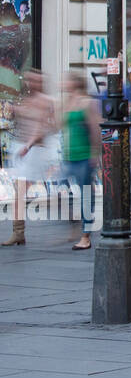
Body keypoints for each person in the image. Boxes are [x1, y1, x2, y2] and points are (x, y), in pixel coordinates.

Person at [3, 70, 56, 247]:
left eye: (34, 80)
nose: (29, 83)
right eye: (28, 80)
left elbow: (43, 126)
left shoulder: (45, 101)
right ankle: (19, 233)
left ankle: (18, 233)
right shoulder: (26, 99)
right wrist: (12, 108)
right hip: (21, 147)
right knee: (19, 191)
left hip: (34, 150)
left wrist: (29, 145)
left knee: (20, 191)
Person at [60, 72, 100, 251]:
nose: (63, 83)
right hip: (69, 156)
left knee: (86, 196)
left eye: (66, 80)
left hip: (84, 156)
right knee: (62, 190)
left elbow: (95, 128)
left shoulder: (87, 102)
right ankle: (77, 225)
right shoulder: (67, 102)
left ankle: (86, 235)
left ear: (75, 83)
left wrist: (94, 153)